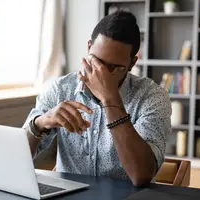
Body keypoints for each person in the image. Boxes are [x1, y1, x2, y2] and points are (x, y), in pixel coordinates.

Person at [23, 10, 171, 186]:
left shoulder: (153, 97)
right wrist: (40, 123)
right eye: (97, 61)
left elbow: (141, 175)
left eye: (114, 67)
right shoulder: (61, 89)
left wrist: (110, 98)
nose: (101, 73)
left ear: (132, 63)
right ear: (88, 47)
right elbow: (18, 155)